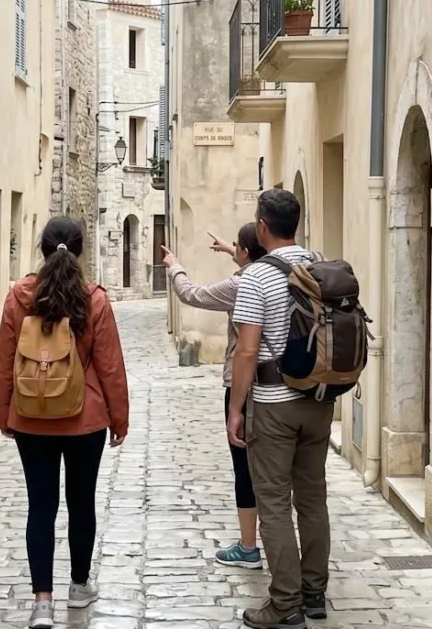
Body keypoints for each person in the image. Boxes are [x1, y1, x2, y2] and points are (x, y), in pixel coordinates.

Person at [0, 217, 130, 629]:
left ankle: (41, 603)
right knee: (81, 503)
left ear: (42, 248)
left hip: (32, 419)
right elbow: (109, 366)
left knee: (41, 506)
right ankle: (78, 585)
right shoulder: (94, 300)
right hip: (84, 420)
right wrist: (119, 419)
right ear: (81, 250)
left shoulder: (19, 297)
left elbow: (4, 363)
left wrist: (6, 413)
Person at [228, 189, 332, 629]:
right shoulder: (321, 263)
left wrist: (237, 408)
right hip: (319, 401)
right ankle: (314, 594)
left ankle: (285, 603)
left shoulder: (255, 277)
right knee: (313, 499)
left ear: (263, 227)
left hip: (273, 405)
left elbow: (247, 351)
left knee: (272, 503)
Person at [160, 224, 267, 569]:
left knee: (245, 470)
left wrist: (175, 266)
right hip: (284, 389)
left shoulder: (242, 285)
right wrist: (227, 249)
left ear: (246, 253)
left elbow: (193, 294)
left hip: (247, 388)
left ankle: (249, 546)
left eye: (238, 246)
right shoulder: (280, 274)